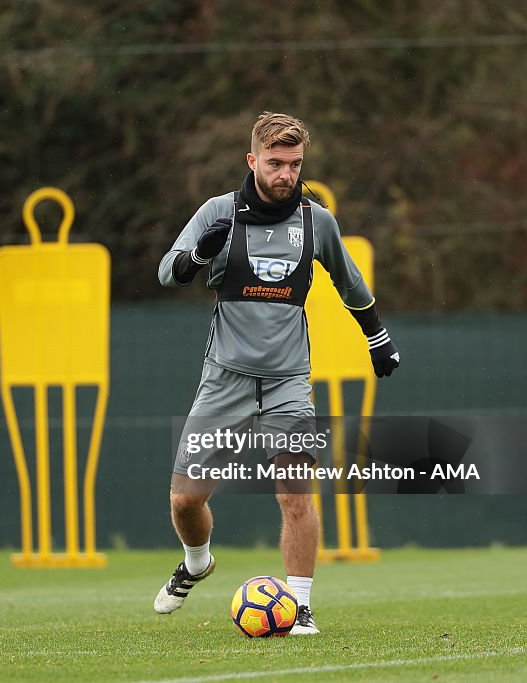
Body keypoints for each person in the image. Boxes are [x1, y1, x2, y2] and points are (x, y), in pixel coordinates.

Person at [153, 112, 400, 635]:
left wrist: (377, 338)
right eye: (274, 163)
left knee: (295, 492)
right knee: (184, 499)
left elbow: (349, 282)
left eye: (294, 164)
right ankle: (197, 561)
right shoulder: (219, 212)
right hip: (224, 379)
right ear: (252, 161)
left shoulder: (317, 221)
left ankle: (301, 607)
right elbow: (166, 273)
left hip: (289, 380)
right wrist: (199, 253)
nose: (285, 173)